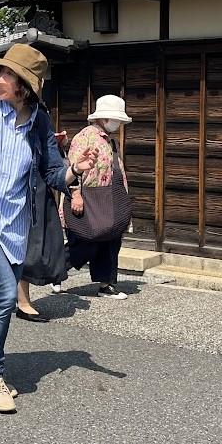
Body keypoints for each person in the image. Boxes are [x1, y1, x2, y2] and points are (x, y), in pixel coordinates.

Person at [0, 43, 97, 414]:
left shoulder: (39, 122)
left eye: (7, 74)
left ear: (25, 85)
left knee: (3, 299)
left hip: (14, 225)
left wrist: (76, 170)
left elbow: (52, 173)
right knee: (5, 293)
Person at [66, 95, 134, 300]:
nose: (119, 123)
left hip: (110, 197)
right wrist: (75, 194)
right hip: (89, 198)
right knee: (84, 241)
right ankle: (57, 272)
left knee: (112, 240)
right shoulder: (84, 137)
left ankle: (107, 284)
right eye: (116, 119)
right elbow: (72, 167)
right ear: (103, 118)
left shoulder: (111, 140)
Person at [14, 126, 70, 323]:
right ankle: (21, 301)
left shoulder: (38, 115)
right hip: (20, 190)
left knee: (37, 244)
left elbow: (54, 166)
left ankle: (18, 298)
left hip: (39, 188)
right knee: (27, 245)